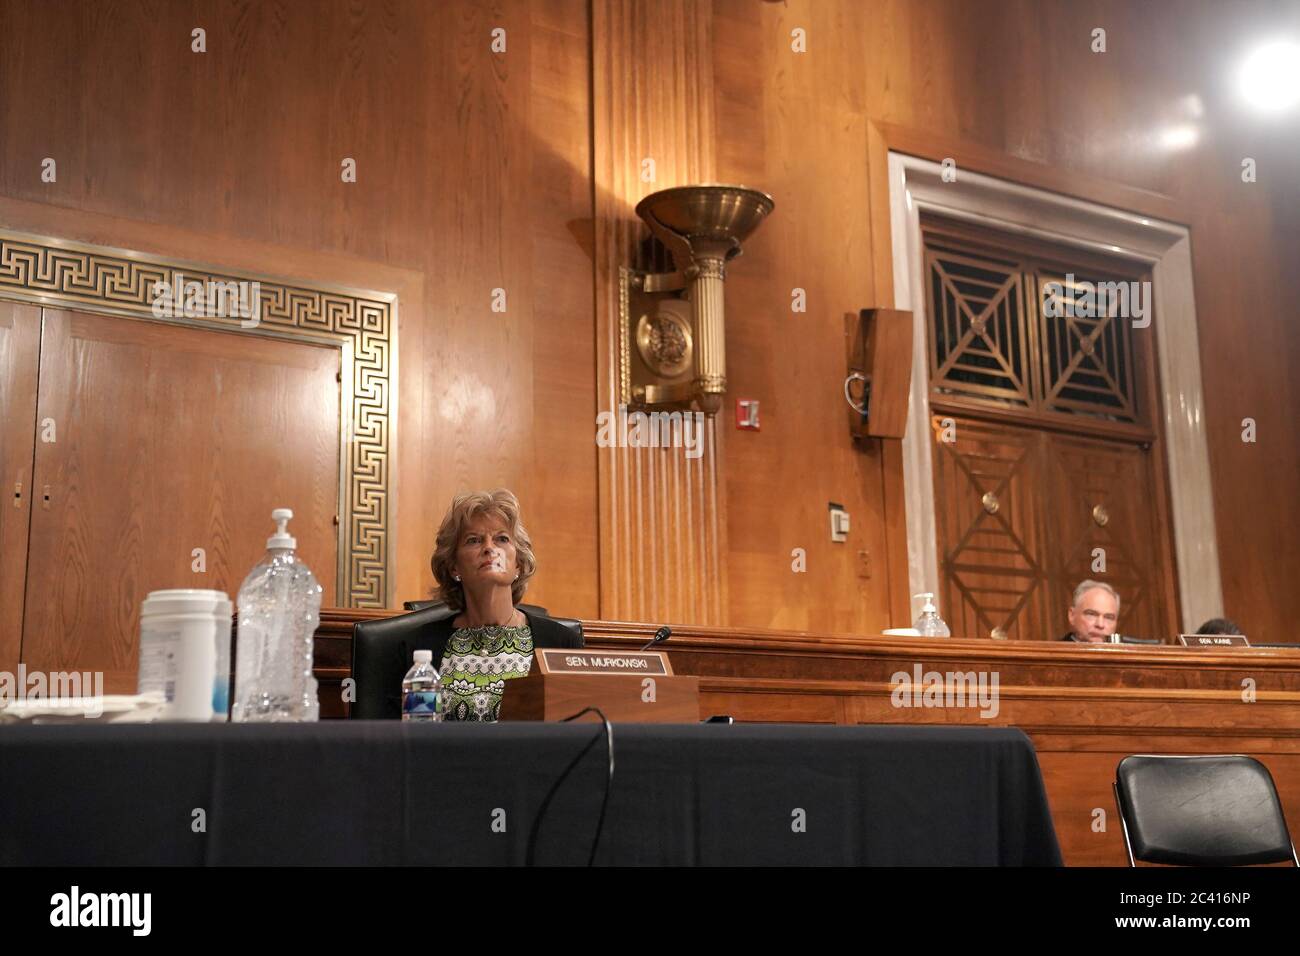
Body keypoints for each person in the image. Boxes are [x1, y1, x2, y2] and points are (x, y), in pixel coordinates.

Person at [426, 489, 582, 721]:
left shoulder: (560, 643)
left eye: (502, 538)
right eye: (474, 540)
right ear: (454, 567)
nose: (490, 548)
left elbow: (575, 735)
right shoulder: (419, 646)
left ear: (518, 564)